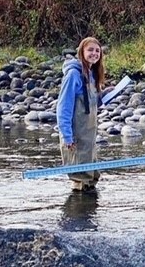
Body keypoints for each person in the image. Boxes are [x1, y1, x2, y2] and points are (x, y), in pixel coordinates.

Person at [57, 37, 105, 192]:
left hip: (88, 137)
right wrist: (67, 137)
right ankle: (77, 214)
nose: (94, 53)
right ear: (81, 52)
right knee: (80, 180)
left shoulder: (91, 74)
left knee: (91, 177)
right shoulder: (73, 75)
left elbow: (89, 103)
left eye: (97, 51)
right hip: (76, 136)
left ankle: (89, 213)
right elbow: (63, 108)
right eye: (90, 50)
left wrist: (106, 96)